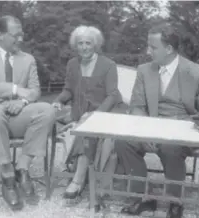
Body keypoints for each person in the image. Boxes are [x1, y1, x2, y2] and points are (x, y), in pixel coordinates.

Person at [114, 23, 199, 218]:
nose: (148, 51)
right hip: (150, 127)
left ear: (169, 49)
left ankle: (175, 202)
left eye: (153, 47)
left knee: (171, 147)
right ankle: (144, 197)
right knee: (123, 142)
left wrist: (197, 121)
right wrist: (146, 132)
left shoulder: (196, 71)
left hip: (182, 132)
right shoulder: (144, 70)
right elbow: (136, 106)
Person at [0, 15, 56, 210]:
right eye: (16, 35)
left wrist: (23, 101)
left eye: (22, 35)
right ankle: (7, 173)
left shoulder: (28, 59)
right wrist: (15, 89)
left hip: (16, 114)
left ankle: (22, 168)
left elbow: (35, 91)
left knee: (47, 110)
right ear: (0, 35)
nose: (21, 40)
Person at [52, 25, 122, 201]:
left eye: (88, 43)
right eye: (80, 43)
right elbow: (68, 90)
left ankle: (78, 179)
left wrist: (95, 115)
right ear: (76, 45)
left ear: (96, 45)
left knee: (87, 130)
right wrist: (59, 100)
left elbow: (113, 95)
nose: (84, 47)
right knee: (80, 126)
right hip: (79, 114)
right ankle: (80, 174)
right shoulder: (72, 64)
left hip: (104, 114)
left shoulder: (108, 65)